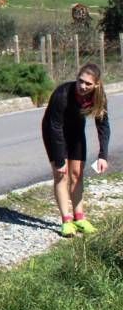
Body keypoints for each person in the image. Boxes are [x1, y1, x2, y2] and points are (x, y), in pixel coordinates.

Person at [41, 63, 110, 237]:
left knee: (77, 174)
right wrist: (59, 159)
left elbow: (103, 126)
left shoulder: (98, 97)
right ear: (77, 77)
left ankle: (79, 218)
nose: (83, 86)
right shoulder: (62, 93)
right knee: (61, 174)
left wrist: (103, 156)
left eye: (88, 83)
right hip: (53, 132)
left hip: (76, 132)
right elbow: (55, 126)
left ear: (96, 84)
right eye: (81, 81)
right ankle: (66, 220)